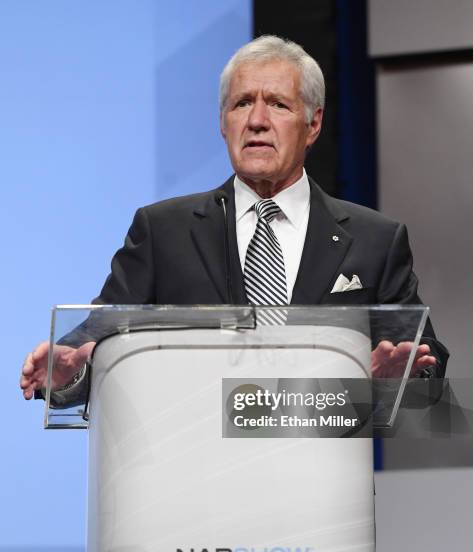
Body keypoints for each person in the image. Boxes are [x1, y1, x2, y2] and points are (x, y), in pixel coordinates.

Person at [20, 35, 448, 402]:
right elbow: (96, 342)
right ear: (223, 123)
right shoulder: (163, 231)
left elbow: (423, 356)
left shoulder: (375, 240)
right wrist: (68, 372)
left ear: (313, 123)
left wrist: (404, 379)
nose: (257, 121)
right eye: (243, 103)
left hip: (322, 480)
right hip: (192, 477)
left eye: (278, 104)